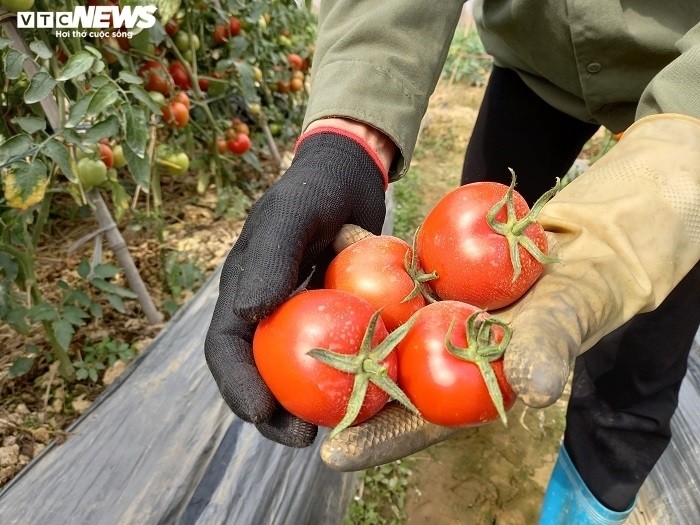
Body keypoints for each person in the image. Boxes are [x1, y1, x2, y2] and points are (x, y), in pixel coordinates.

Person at [205, 1, 700, 523]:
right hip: (535, 64)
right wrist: (350, 134)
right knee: (483, 227)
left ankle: (587, 507)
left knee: (643, 347)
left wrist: (683, 165)